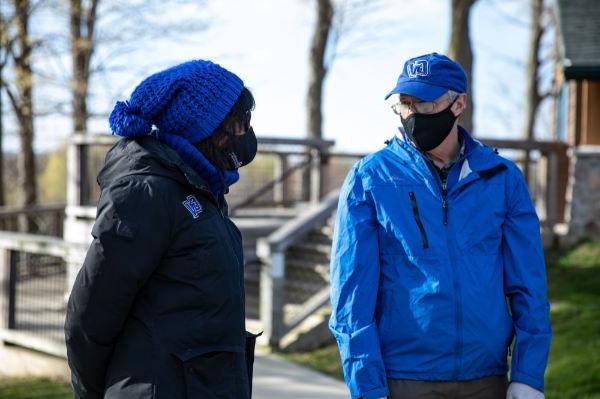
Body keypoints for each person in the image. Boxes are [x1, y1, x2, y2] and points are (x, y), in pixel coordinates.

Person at [329, 52, 551, 399]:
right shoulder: (369, 178)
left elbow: (529, 286)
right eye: (405, 104)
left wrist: (528, 375)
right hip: (404, 379)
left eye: (425, 103)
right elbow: (351, 297)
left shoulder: (503, 179)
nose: (413, 114)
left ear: (458, 103)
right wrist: (368, 387)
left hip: (486, 379)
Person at [65, 60, 260, 399]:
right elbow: (89, 317)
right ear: (206, 127)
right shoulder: (147, 193)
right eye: (240, 122)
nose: (245, 135)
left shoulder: (201, 193)